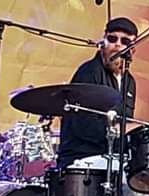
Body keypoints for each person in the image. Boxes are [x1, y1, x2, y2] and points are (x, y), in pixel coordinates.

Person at [57, 17, 139, 170]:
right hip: (82, 159)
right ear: (103, 43)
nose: (117, 45)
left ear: (133, 50)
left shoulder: (129, 82)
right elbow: (85, 126)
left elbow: (126, 120)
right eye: (112, 38)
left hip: (111, 158)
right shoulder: (89, 72)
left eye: (125, 41)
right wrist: (120, 130)